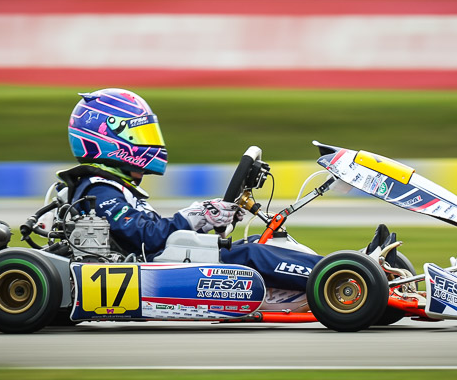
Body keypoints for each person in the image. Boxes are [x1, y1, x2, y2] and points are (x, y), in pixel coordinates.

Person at [60, 88, 321, 291]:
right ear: (106, 138)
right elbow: (146, 238)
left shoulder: (114, 188)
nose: (147, 143)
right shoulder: (99, 190)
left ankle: (337, 269)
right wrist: (197, 215)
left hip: (170, 261)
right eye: (137, 136)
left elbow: (151, 234)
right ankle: (337, 276)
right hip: (157, 272)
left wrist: (211, 221)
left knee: (257, 243)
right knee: (253, 254)